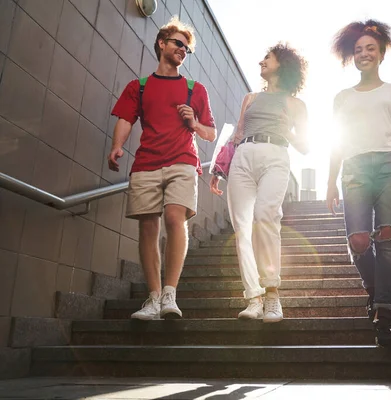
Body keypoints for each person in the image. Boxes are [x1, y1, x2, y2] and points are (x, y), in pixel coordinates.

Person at [327, 20, 391, 347]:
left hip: (390, 165)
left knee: (387, 236)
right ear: (352, 57)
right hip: (354, 168)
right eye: (358, 50)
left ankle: (383, 315)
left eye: (370, 48)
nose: (364, 54)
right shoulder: (342, 97)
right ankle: (375, 290)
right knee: (358, 240)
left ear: (381, 53)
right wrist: (330, 181)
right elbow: (336, 142)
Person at [108, 16, 216, 320]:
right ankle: (153, 298)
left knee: (174, 216)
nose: (183, 50)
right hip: (147, 162)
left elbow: (210, 133)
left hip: (182, 159)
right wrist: (117, 146)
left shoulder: (196, 89)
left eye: (187, 48)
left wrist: (193, 122)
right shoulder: (139, 87)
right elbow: (126, 119)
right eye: (178, 44)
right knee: (147, 227)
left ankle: (170, 293)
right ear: (162, 44)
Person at [210, 43, 309, 323]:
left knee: (266, 216)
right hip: (243, 157)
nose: (261, 62)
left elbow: (306, 146)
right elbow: (238, 133)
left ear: (283, 65)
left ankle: (272, 293)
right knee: (242, 227)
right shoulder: (250, 98)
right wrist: (218, 167)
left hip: (276, 156)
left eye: (268, 58)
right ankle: (253, 297)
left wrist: (287, 129)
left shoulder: (295, 104)